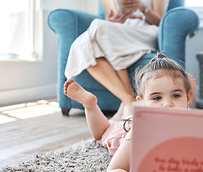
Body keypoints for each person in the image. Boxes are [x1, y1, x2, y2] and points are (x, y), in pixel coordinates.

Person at [64, 0, 167, 121]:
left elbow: (160, 21)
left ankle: (128, 103)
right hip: (119, 30)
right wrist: (114, 19)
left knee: (96, 27)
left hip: (144, 31)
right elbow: (108, 19)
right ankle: (128, 100)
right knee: (85, 43)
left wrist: (143, 7)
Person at [63, 53, 195, 172]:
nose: (167, 104)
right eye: (157, 98)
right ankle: (90, 105)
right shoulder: (136, 133)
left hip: (162, 115)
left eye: (176, 95)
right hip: (123, 131)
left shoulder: (191, 122)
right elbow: (116, 168)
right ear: (142, 103)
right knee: (102, 134)